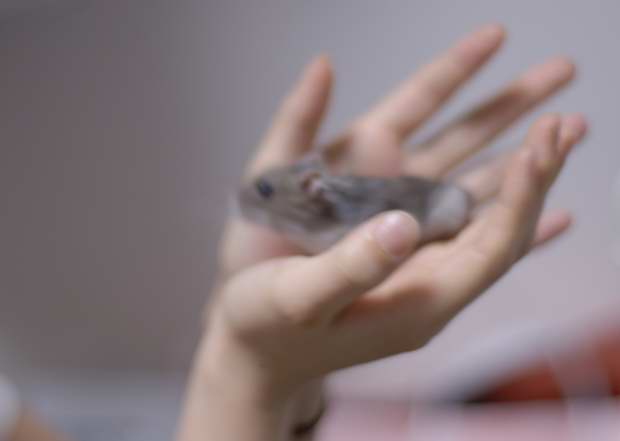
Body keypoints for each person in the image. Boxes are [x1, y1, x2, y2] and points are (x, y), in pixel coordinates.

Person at [175, 23, 587, 441]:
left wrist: (254, 370)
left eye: (266, 193)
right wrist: (248, 362)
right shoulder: (306, 215)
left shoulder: (338, 201)